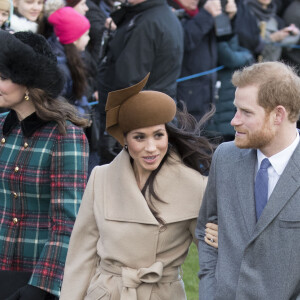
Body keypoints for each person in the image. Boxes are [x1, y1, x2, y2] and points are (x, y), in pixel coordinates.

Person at [60, 73, 218, 299]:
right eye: (140, 137)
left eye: (158, 135)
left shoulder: (195, 186)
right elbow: (81, 256)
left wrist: (222, 237)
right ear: (124, 140)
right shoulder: (101, 178)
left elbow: (213, 261)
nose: (151, 147)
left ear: (168, 136)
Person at [196, 61, 300, 300]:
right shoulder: (225, 157)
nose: (233, 120)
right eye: (236, 109)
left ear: (278, 115)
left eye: (246, 112)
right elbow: (205, 230)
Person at [0, 30, 89, 299]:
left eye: (3, 77)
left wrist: (39, 288)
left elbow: (67, 223)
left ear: (29, 82)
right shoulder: (3, 125)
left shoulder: (66, 135)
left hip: (36, 277)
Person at [97, 0, 184, 165]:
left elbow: (128, 83)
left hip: (138, 125)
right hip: (152, 120)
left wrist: (114, 131)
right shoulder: (155, 16)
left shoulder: (147, 22)